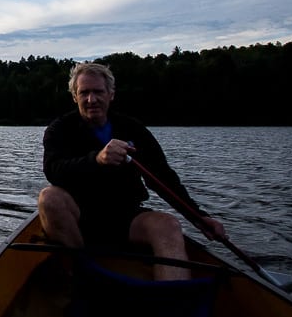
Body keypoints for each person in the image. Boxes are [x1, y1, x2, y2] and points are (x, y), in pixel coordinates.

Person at [37, 62, 226, 281]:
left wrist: (199, 217)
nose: (91, 99)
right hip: (78, 220)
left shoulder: (133, 128)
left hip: (125, 218)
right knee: (49, 198)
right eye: (84, 93)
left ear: (111, 94)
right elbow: (54, 171)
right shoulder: (59, 129)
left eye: (98, 92)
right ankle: (81, 274)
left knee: (168, 225)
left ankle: (173, 302)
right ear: (74, 97)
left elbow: (162, 178)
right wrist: (97, 160)